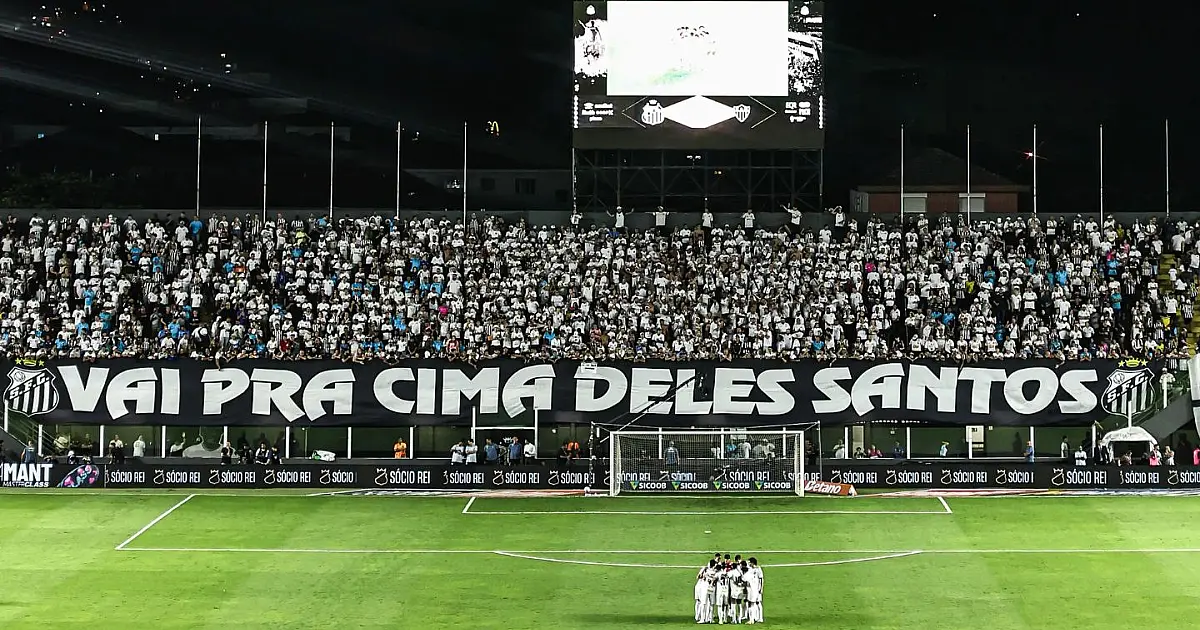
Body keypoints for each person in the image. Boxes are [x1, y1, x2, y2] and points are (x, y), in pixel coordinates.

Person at [746, 557, 764, 624]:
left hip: (757, 589)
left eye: (750, 562)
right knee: (753, 603)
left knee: (758, 602)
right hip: (752, 589)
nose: (749, 563)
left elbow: (761, 579)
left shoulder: (758, 569)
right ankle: (755, 617)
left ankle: (760, 617)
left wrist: (761, 588)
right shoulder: (750, 569)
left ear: (752, 563)